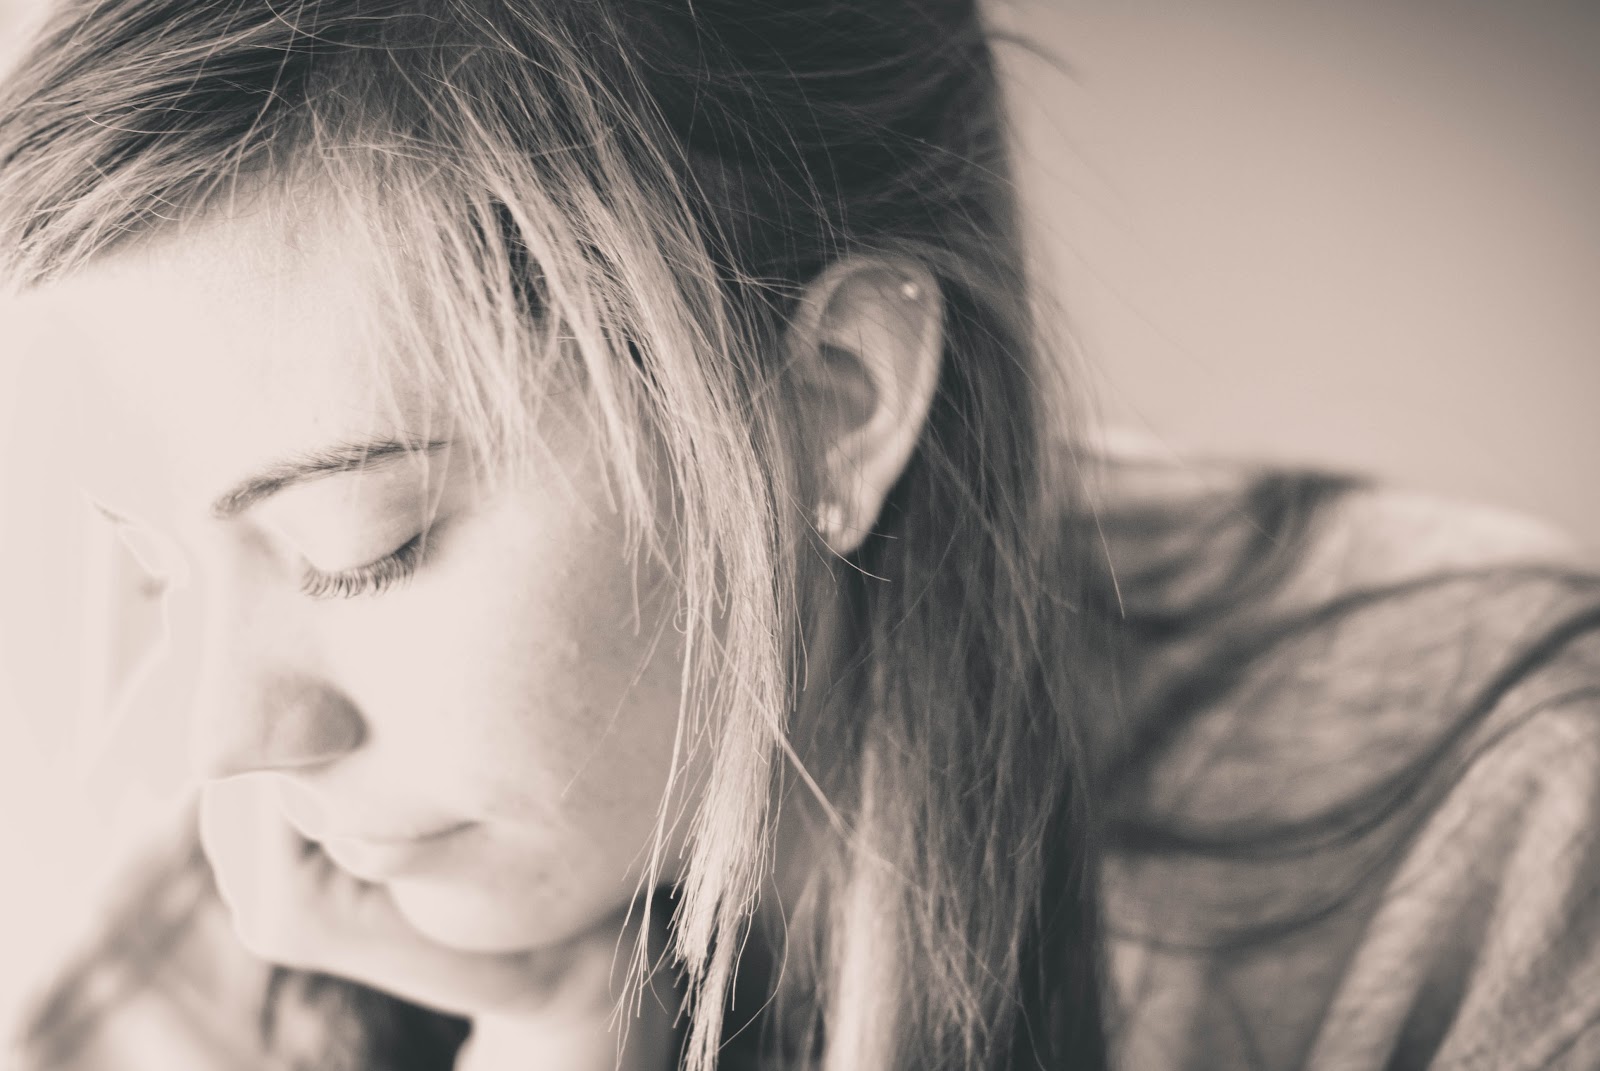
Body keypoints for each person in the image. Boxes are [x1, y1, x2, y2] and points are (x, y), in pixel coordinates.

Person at [1, 1, 1598, 1069]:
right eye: (158, 570)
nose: (222, 736)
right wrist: (556, 1038)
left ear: (836, 402)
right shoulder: (268, 914)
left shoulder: (1509, 837)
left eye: (363, 541)